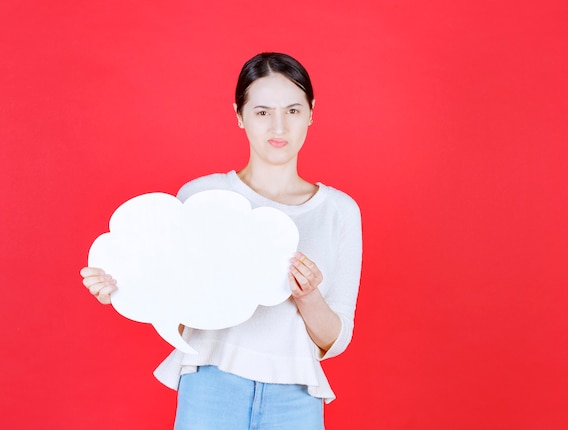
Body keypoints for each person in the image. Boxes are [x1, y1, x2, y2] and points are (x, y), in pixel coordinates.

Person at [81, 52, 362, 430]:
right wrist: (121, 288)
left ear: (311, 112)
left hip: (296, 397)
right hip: (209, 385)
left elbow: (336, 338)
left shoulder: (339, 211)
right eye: (262, 112)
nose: (278, 126)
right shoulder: (202, 196)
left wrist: (308, 293)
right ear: (239, 114)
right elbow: (173, 302)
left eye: (293, 110)